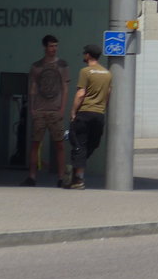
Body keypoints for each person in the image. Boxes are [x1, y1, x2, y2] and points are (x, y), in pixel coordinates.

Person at [23, 34, 70, 187]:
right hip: (40, 110)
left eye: (55, 46)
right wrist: (32, 108)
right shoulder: (37, 66)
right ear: (45, 47)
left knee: (60, 144)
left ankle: (61, 177)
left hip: (55, 110)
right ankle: (32, 176)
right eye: (51, 46)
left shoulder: (62, 65)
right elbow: (33, 87)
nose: (53, 49)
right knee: (35, 143)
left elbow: (65, 87)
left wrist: (62, 108)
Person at [65, 44, 112, 190]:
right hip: (99, 114)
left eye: (84, 53)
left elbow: (80, 94)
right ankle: (76, 172)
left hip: (84, 113)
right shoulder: (107, 73)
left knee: (79, 144)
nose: (83, 55)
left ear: (89, 55)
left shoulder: (85, 71)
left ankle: (78, 178)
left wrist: (73, 112)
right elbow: (108, 94)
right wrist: (102, 108)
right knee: (92, 144)